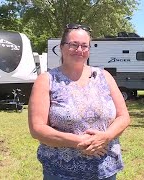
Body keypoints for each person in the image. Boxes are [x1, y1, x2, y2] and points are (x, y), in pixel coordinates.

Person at [28, 23, 131, 180]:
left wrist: (106, 137)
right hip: (61, 173)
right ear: (62, 47)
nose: (79, 50)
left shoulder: (104, 76)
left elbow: (123, 116)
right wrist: (79, 142)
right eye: (73, 45)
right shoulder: (47, 80)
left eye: (84, 46)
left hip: (105, 170)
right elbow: (38, 128)